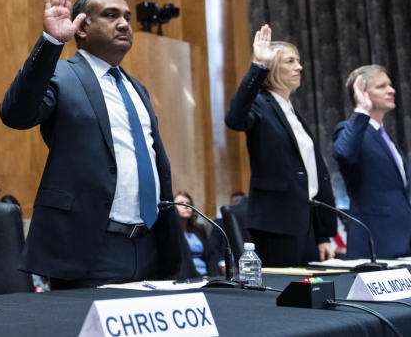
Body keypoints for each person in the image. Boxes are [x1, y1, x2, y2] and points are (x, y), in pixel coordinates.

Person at [0, 0, 182, 288]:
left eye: (126, 16)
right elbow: (16, 114)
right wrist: (50, 42)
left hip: (148, 245)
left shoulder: (137, 89)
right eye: (111, 15)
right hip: (88, 248)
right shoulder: (60, 75)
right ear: (82, 27)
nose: (124, 24)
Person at [225, 24, 336, 266]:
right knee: (285, 295)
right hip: (277, 222)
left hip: (305, 221)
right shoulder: (260, 104)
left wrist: (322, 234)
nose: (299, 67)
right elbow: (234, 118)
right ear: (273, 67)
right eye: (290, 61)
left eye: (298, 61)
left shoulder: (292, 112)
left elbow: (311, 176)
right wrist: (257, 66)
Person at [333, 65, 411, 259]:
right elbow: (343, 153)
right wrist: (361, 110)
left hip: (402, 240)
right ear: (362, 93)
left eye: (390, 85)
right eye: (381, 86)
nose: (391, 90)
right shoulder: (348, 130)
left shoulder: (387, 137)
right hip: (374, 242)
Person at [174, 191, 217, 277]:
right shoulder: (171, 233)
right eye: (180, 203)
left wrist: (213, 277)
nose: (186, 206)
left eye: (188, 203)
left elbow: (210, 256)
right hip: (185, 278)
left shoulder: (199, 229)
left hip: (206, 277)